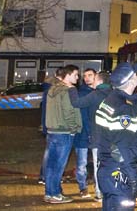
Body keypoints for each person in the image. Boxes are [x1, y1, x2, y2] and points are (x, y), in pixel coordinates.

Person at [95, 62, 137, 211]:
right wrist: (134, 179)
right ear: (131, 81)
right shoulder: (124, 110)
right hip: (120, 173)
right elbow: (123, 150)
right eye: (135, 75)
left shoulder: (110, 101)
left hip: (110, 170)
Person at [44, 65, 82, 204]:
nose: (78, 78)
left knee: (51, 164)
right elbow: (69, 111)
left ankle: (50, 193)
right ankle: (55, 194)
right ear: (67, 75)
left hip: (52, 131)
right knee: (59, 165)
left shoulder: (52, 89)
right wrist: (73, 129)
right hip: (64, 131)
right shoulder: (67, 91)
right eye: (75, 75)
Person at [71, 70, 111, 201]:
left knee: (98, 166)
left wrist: (71, 90)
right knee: (112, 165)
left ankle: (100, 193)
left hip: (97, 137)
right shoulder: (115, 94)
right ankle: (112, 191)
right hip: (114, 138)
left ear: (98, 81)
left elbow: (76, 103)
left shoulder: (94, 95)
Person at [72, 68, 96, 198]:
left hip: (93, 134)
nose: (87, 78)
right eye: (85, 76)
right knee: (81, 163)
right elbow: (83, 116)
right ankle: (83, 187)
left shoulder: (98, 92)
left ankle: (97, 187)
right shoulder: (81, 93)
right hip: (82, 134)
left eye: (90, 75)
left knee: (96, 162)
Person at [39, 67, 63, 184]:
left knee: (48, 152)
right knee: (53, 153)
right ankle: (48, 177)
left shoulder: (48, 88)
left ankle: (43, 176)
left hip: (48, 124)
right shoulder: (56, 89)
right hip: (54, 125)